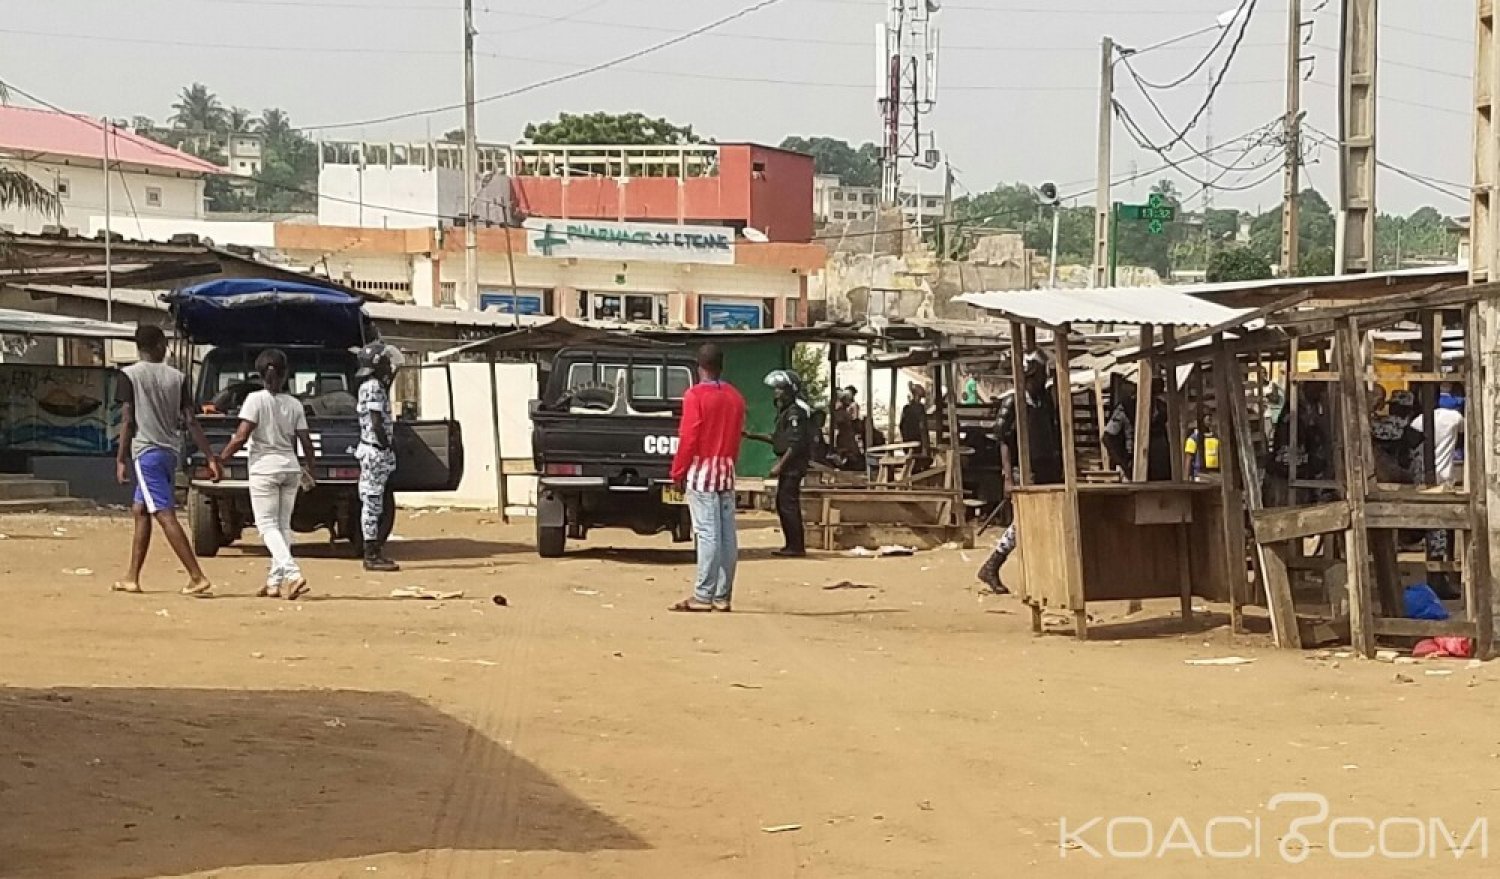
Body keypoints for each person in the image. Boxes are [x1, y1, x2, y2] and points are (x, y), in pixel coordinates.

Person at [114, 325, 222, 596]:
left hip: (145, 452)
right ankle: (131, 577)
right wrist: (210, 456)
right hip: (169, 453)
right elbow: (191, 420)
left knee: (164, 514)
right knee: (140, 510)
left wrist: (121, 458)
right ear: (160, 345)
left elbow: (127, 420)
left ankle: (196, 576)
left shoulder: (129, 376)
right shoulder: (179, 377)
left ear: (139, 347)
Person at [215, 349, 316, 600]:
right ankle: (274, 582)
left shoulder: (255, 400)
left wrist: (220, 460)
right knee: (282, 526)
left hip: (264, 469)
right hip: (290, 468)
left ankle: (293, 574)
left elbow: (240, 436)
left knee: (266, 526)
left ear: (259, 374)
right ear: (286, 375)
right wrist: (309, 468)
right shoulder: (294, 404)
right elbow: (306, 441)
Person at [668, 343, 747, 613]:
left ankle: (703, 595)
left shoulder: (695, 396)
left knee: (707, 534)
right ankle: (722, 595)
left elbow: (689, 438)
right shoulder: (735, 397)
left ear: (699, 367)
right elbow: (737, 437)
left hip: (702, 471)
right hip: (726, 469)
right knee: (727, 536)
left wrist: (678, 472)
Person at [975, 351, 1062, 593]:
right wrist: (1008, 476)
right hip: (1024, 469)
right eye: (1039, 376)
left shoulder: (1044, 401)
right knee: (1024, 521)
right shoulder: (1013, 401)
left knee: (1045, 520)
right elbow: (1003, 439)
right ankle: (993, 564)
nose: (1043, 380)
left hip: (1047, 468)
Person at [748, 370, 813, 557]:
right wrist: (753, 436)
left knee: (788, 503)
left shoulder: (795, 413)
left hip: (792, 466)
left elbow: (794, 444)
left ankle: (796, 547)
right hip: (789, 465)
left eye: (780, 389)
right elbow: (778, 440)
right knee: (783, 502)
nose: (776, 393)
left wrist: (780, 466)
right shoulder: (785, 413)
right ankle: (791, 545)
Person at [355, 340, 404, 573]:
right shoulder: (373, 386)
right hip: (375, 450)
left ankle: (373, 550)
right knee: (373, 503)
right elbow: (376, 421)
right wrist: (386, 444)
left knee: (374, 502)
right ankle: (371, 553)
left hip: (372, 449)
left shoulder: (370, 384)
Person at [1184, 413, 1221, 479]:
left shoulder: (1216, 437)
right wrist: (1186, 479)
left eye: (1210, 418)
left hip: (1216, 473)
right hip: (1200, 474)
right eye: (1206, 417)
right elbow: (1188, 459)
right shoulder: (1193, 439)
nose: (1209, 420)